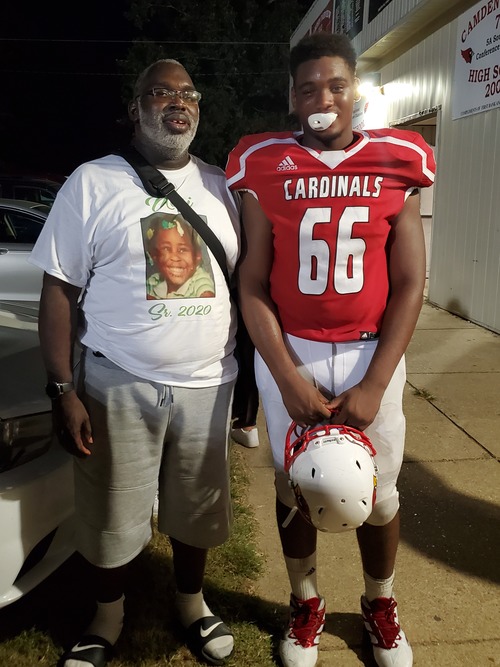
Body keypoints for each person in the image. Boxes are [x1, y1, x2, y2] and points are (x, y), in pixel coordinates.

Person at [226, 32, 436, 667]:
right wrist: (288, 376)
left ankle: (379, 601)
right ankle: (306, 601)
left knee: (379, 493)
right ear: (292, 98)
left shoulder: (398, 158)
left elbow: (410, 282)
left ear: (356, 91)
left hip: (371, 350)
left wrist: (375, 382)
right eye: (309, 88)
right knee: (298, 484)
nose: (323, 99)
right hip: (293, 348)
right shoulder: (263, 161)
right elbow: (253, 283)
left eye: (336, 85)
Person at [30, 58, 240, 667]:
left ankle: (192, 603)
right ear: (135, 109)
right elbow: (58, 289)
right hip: (117, 380)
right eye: (161, 92)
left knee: (197, 508)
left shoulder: (223, 186)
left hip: (208, 383)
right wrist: (62, 388)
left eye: (189, 94)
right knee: (110, 511)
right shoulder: (93, 181)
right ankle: (107, 616)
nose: (178, 102)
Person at [146, 212, 216, 299]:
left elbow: (207, 296)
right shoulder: (153, 281)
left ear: (197, 256)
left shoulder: (199, 280)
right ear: (155, 256)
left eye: (182, 250)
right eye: (166, 248)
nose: (175, 258)